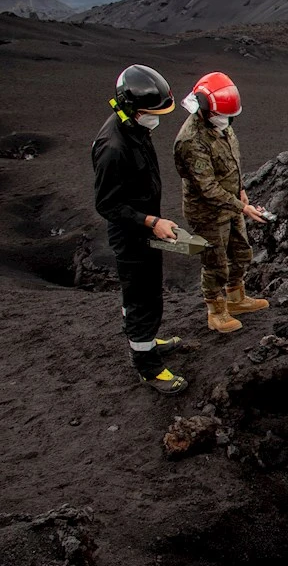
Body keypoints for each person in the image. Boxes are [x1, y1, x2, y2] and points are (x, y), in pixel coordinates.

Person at [91, 64, 188, 395]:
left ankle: (145, 341)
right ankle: (147, 366)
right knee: (140, 298)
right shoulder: (112, 147)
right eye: (151, 112)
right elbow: (107, 206)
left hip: (147, 227)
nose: (156, 119)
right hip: (132, 234)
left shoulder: (134, 129)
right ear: (131, 108)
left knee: (148, 292)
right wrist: (151, 222)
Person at [173, 72, 269, 334]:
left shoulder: (221, 124)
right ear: (203, 107)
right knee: (215, 261)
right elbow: (207, 189)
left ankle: (236, 298)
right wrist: (243, 207)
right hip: (208, 212)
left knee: (241, 252)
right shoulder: (191, 141)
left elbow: (230, 163)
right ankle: (216, 311)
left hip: (231, 203)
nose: (226, 121)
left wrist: (241, 191)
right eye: (221, 116)